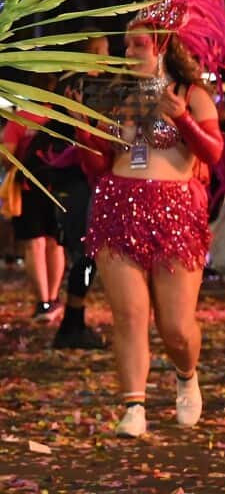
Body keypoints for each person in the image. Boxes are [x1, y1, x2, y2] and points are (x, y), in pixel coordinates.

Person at [76, 0, 225, 439]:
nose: (129, 51)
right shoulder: (112, 97)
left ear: (163, 46)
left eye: (138, 44)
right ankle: (133, 406)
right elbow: (97, 167)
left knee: (175, 326)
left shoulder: (192, 93)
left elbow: (215, 152)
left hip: (175, 213)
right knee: (128, 315)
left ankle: (187, 376)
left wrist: (182, 117)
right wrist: (89, 135)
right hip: (116, 207)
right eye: (125, 44)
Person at [51, 34, 113, 349]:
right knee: (87, 253)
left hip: (72, 178)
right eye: (104, 50)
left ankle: (73, 322)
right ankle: (71, 324)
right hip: (79, 177)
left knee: (86, 254)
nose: (111, 55)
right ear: (91, 52)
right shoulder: (83, 86)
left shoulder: (71, 84)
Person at [2, 73, 69, 323]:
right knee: (56, 244)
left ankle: (42, 301)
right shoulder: (62, 118)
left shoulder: (18, 119)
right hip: (58, 188)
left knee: (34, 245)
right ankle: (53, 297)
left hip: (30, 188)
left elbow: (6, 156)